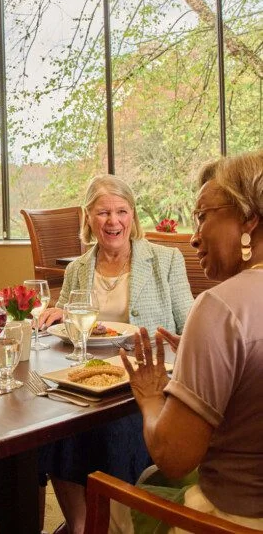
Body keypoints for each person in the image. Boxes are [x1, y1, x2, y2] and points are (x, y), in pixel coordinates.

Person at [112, 149, 263, 532]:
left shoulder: (219, 307)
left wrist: (150, 397)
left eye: (201, 216)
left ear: (248, 217)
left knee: (112, 497)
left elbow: (174, 457)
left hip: (231, 522)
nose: (194, 238)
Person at [38, 174, 194, 534]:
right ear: (88, 218)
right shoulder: (78, 268)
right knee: (55, 427)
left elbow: (188, 330)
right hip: (88, 378)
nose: (113, 222)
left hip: (143, 382)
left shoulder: (165, 260)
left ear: (133, 216)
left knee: (115, 430)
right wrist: (55, 315)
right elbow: (66, 324)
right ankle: (80, 524)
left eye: (122, 211)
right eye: (103, 212)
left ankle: (118, 523)